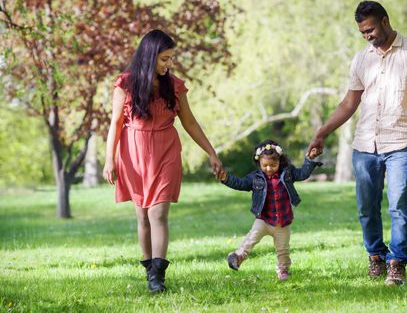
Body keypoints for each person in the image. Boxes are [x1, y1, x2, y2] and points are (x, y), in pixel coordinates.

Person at [307, 1, 407, 285]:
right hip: (365, 145)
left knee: (399, 204)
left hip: (403, 142)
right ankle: (376, 255)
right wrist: (322, 132)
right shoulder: (361, 59)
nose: (368, 36)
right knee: (366, 206)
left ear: (385, 21)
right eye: (363, 32)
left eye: (371, 29)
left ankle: (397, 262)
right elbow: (349, 102)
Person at [103, 29, 223, 293]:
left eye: (171, 58)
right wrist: (108, 159)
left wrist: (211, 153)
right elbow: (115, 123)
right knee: (142, 216)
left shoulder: (175, 86)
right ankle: (149, 271)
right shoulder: (124, 84)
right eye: (165, 58)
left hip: (166, 151)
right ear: (150, 56)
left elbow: (189, 122)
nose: (170, 64)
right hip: (133, 154)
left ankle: (158, 275)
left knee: (158, 212)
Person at [219, 139, 322, 280]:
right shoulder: (255, 178)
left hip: (283, 221)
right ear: (259, 163)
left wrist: (309, 160)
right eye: (265, 165)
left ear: (280, 161)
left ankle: (283, 270)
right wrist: (226, 179)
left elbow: (303, 174)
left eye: (273, 165)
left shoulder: (287, 173)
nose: (269, 168)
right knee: (251, 238)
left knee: (283, 250)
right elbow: (241, 183)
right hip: (263, 219)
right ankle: (237, 257)